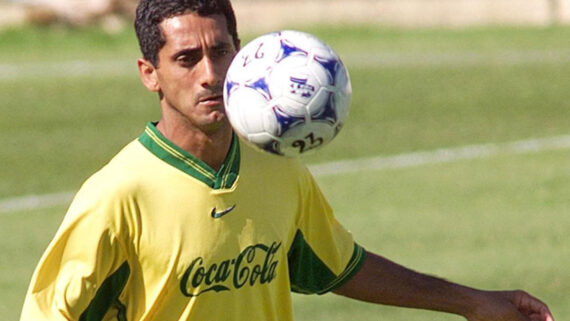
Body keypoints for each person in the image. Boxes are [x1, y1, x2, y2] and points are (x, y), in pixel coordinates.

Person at [20, 0, 555, 320]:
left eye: (220, 50)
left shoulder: (279, 170)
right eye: (186, 59)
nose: (209, 74)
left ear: (242, 52)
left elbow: (342, 266)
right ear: (149, 74)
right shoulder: (118, 195)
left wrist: (473, 302)